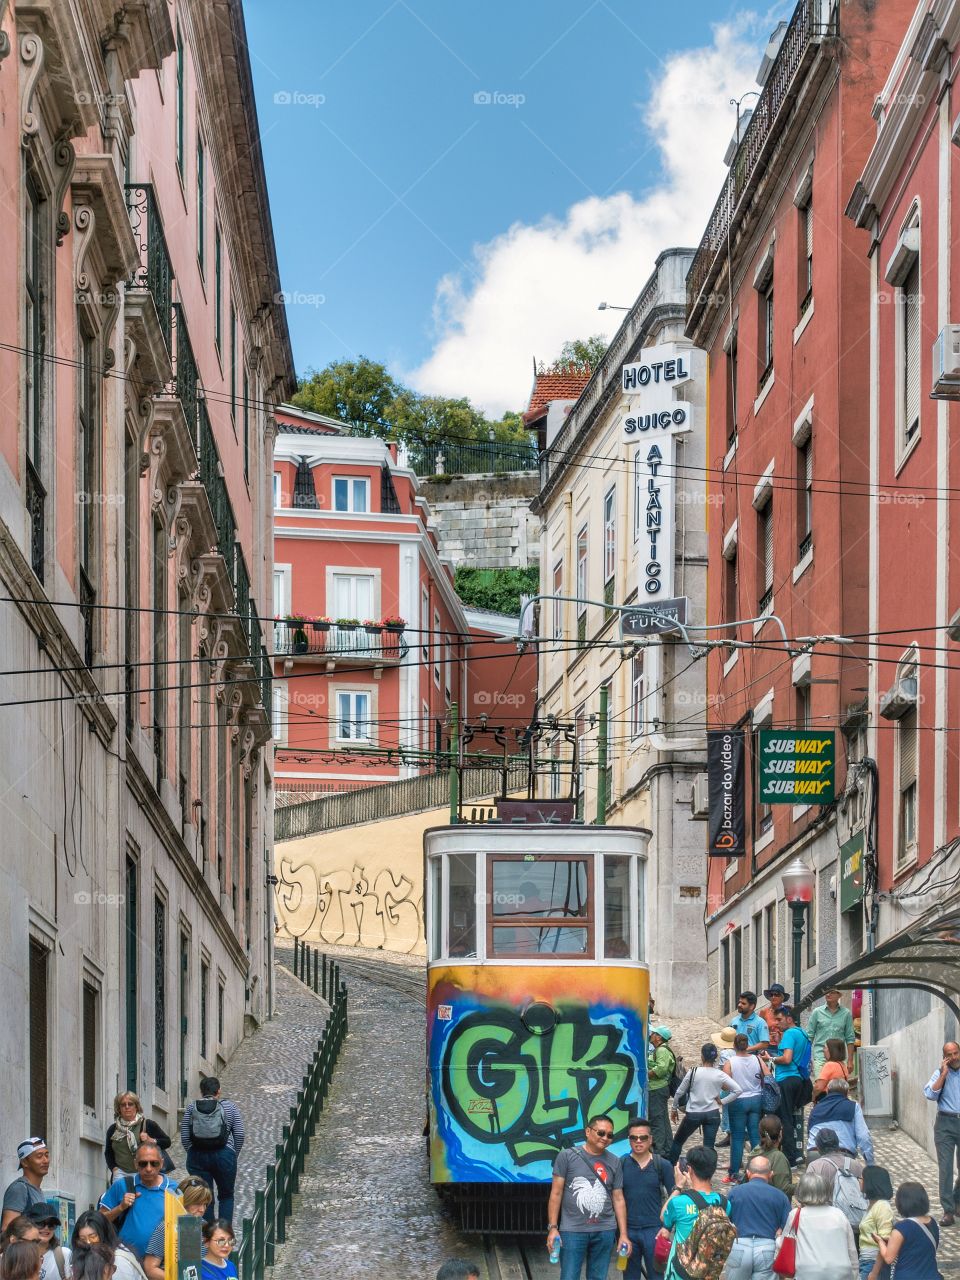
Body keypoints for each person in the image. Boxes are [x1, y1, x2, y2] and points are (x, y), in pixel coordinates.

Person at [546, 1114, 631, 1280]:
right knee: (569, 1276)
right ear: (588, 1131)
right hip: (572, 1230)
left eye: (610, 1135)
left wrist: (623, 1234)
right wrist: (553, 1228)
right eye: (601, 1133)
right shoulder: (567, 1156)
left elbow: (618, 1198)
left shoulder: (614, 1161)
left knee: (598, 1277)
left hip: (605, 1230)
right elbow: (556, 1193)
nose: (605, 1138)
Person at [657, 1145, 728, 1280]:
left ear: (689, 1169)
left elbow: (663, 1216)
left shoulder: (678, 1203)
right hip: (708, 1273)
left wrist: (678, 1187)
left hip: (680, 1272)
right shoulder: (724, 1203)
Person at [181, 1078, 244, 1229]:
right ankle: (222, 1236)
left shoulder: (192, 1107)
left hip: (198, 1156)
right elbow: (240, 1134)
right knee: (226, 1196)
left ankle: (207, 1237)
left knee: (203, 1197)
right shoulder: (229, 1107)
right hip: (224, 1156)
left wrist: (192, 1151)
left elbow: (184, 1136)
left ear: (201, 1091)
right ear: (219, 1091)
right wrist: (232, 1154)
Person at [98, 1144, 178, 1261]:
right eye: (143, 1163)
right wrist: (120, 1207)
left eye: (154, 1163)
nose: (149, 1168)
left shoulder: (174, 1189)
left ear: (161, 1163)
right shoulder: (122, 1185)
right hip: (126, 1261)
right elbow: (99, 1220)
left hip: (160, 1263)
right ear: (135, 1164)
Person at [669, 1043, 742, 1160]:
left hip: (694, 1113)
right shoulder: (720, 1074)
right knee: (709, 1147)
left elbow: (679, 1092)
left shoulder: (693, 1072)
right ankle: (707, 1172)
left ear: (702, 1056)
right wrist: (722, 1101)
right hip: (712, 1113)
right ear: (715, 1058)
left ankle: (671, 1166)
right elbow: (738, 1090)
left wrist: (674, 1108)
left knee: (678, 1141)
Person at [621, 1118, 674, 1279]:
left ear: (650, 1139)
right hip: (627, 1232)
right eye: (633, 1138)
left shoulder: (662, 1165)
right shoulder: (620, 1164)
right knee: (629, 1275)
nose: (638, 1141)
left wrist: (667, 1227)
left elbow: (674, 1198)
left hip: (655, 1231)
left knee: (657, 1275)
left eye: (643, 1137)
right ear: (629, 1140)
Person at [724, 1155, 791, 1279]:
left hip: (740, 1245)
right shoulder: (780, 1196)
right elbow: (787, 1226)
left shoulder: (735, 1192)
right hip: (767, 1248)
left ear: (748, 1173)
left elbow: (725, 1220)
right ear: (771, 1174)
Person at [787, 1171, 858, 1279]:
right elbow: (851, 1249)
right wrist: (855, 1273)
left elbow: (784, 1243)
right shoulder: (838, 1214)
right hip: (840, 1272)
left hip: (808, 1272)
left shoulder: (796, 1215)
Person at [143, 1177, 212, 1280]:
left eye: (205, 1204)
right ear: (184, 1202)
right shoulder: (165, 1228)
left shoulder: (207, 1228)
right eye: (197, 1204)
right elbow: (150, 1269)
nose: (202, 1209)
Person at [923, 1040, 960, 1225]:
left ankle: (957, 1199)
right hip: (945, 1123)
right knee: (945, 1169)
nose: (954, 1057)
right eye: (949, 1055)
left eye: (956, 1053)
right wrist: (944, 1074)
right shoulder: (939, 1074)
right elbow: (930, 1094)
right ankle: (948, 1210)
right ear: (944, 1058)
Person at [724, 1034, 769, 1184]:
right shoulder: (757, 1059)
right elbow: (768, 1075)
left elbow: (725, 1084)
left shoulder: (730, 1062)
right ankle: (758, 1169)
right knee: (755, 1135)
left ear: (734, 1046)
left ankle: (734, 1173)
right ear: (747, 1045)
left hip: (738, 1101)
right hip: (756, 1099)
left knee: (737, 1138)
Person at [768, 1006, 810, 1166]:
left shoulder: (790, 1033)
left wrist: (770, 1058)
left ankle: (789, 1158)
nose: (776, 1023)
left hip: (786, 1079)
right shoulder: (802, 1033)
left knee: (784, 1119)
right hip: (798, 1079)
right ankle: (795, 1154)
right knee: (789, 1117)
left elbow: (786, 1059)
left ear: (789, 1018)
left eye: (779, 1020)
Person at [875, 1181, 942, 1280]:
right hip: (931, 1276)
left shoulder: (901, 1228)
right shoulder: (932, 1223)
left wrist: (880, 1241)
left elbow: (888, 1258)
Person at [104, 1096, 172, 1182]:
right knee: (121, 1196)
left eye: (130, 1104)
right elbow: (108, 1152)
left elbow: (167, 1142)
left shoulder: (148, 1124)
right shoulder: (113, 1129)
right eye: (123, 1105)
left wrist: (151, 1140)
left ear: (136, 1107)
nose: (127, 1107)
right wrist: (114, 1168)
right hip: (120, 1174)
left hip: (144, 1173)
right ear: (119, 1108)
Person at [807, 1080, 874, 1164]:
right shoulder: (853, 1107)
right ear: (847, 1093)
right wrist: (870, 1163)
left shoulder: (816, 1109)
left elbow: (809, 1134)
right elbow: (864, 1137)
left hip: (814, 1155)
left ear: (827, 1091)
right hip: (842, 1155)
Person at [71, 1214, 143, 1280]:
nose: (88, 1242)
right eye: (82, 1239)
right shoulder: (89, 1257)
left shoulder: (118, 1261)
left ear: (104, 1234)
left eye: (93, 1237)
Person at [806, 989, 856, 1077]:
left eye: (832, 992)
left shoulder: (846, 1013)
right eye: (827, 992)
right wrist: (807, 1059)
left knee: (837, 1087)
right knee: (822, 1087)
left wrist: (850, 1061)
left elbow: (850, 1038)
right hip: (820, 1057)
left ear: (839, 995)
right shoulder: (817, 1012)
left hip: (839, 1058)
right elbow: (809, 1036)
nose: (828, 994)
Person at [2, 1142, 50, 1231]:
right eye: (39, 1156)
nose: (45, 1160)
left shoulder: (38, 1191)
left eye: (46, 1155)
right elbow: (7, 1230)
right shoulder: (19, 1189)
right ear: (24, 1162)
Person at [858, 1166, 894, 1280]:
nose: (859, 1181)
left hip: (873, 1263)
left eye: (862, 1178)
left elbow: (885, 1240)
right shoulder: (871, 1205)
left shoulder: (882, 1206)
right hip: (865, 1261)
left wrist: (874, 1272)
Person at [747, 1116, 794, 1199]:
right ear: (780, 1133)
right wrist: (802, 1185)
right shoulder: (778, 1157)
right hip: (772, 1205)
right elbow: (783, 1189)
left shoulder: (755, 1152)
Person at [806, 1128, 864, 1194]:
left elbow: (808, 1193)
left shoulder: (814, 1166)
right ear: (838, 1144)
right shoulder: (856, 1165)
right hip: (852, 1204)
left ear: (818, 1147)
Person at [647, 1028, 676, 1157]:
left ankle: (658, 1151)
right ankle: (668, 1148)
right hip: (659, 1089)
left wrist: (646, 1074)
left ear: (658, 1037)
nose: (651, 1035)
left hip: (656, 1089)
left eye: (653, 1034)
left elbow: (661, 1068)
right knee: (663, 1120)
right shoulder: (659, 1050)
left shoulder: (662, 1050)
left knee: (656, 1120)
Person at [22, 1208, 68, 1280]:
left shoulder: (64, 1254)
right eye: (40, 1223)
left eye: (51, 1225)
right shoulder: (17, 1254)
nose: (46, 1228)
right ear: (29, 1225)